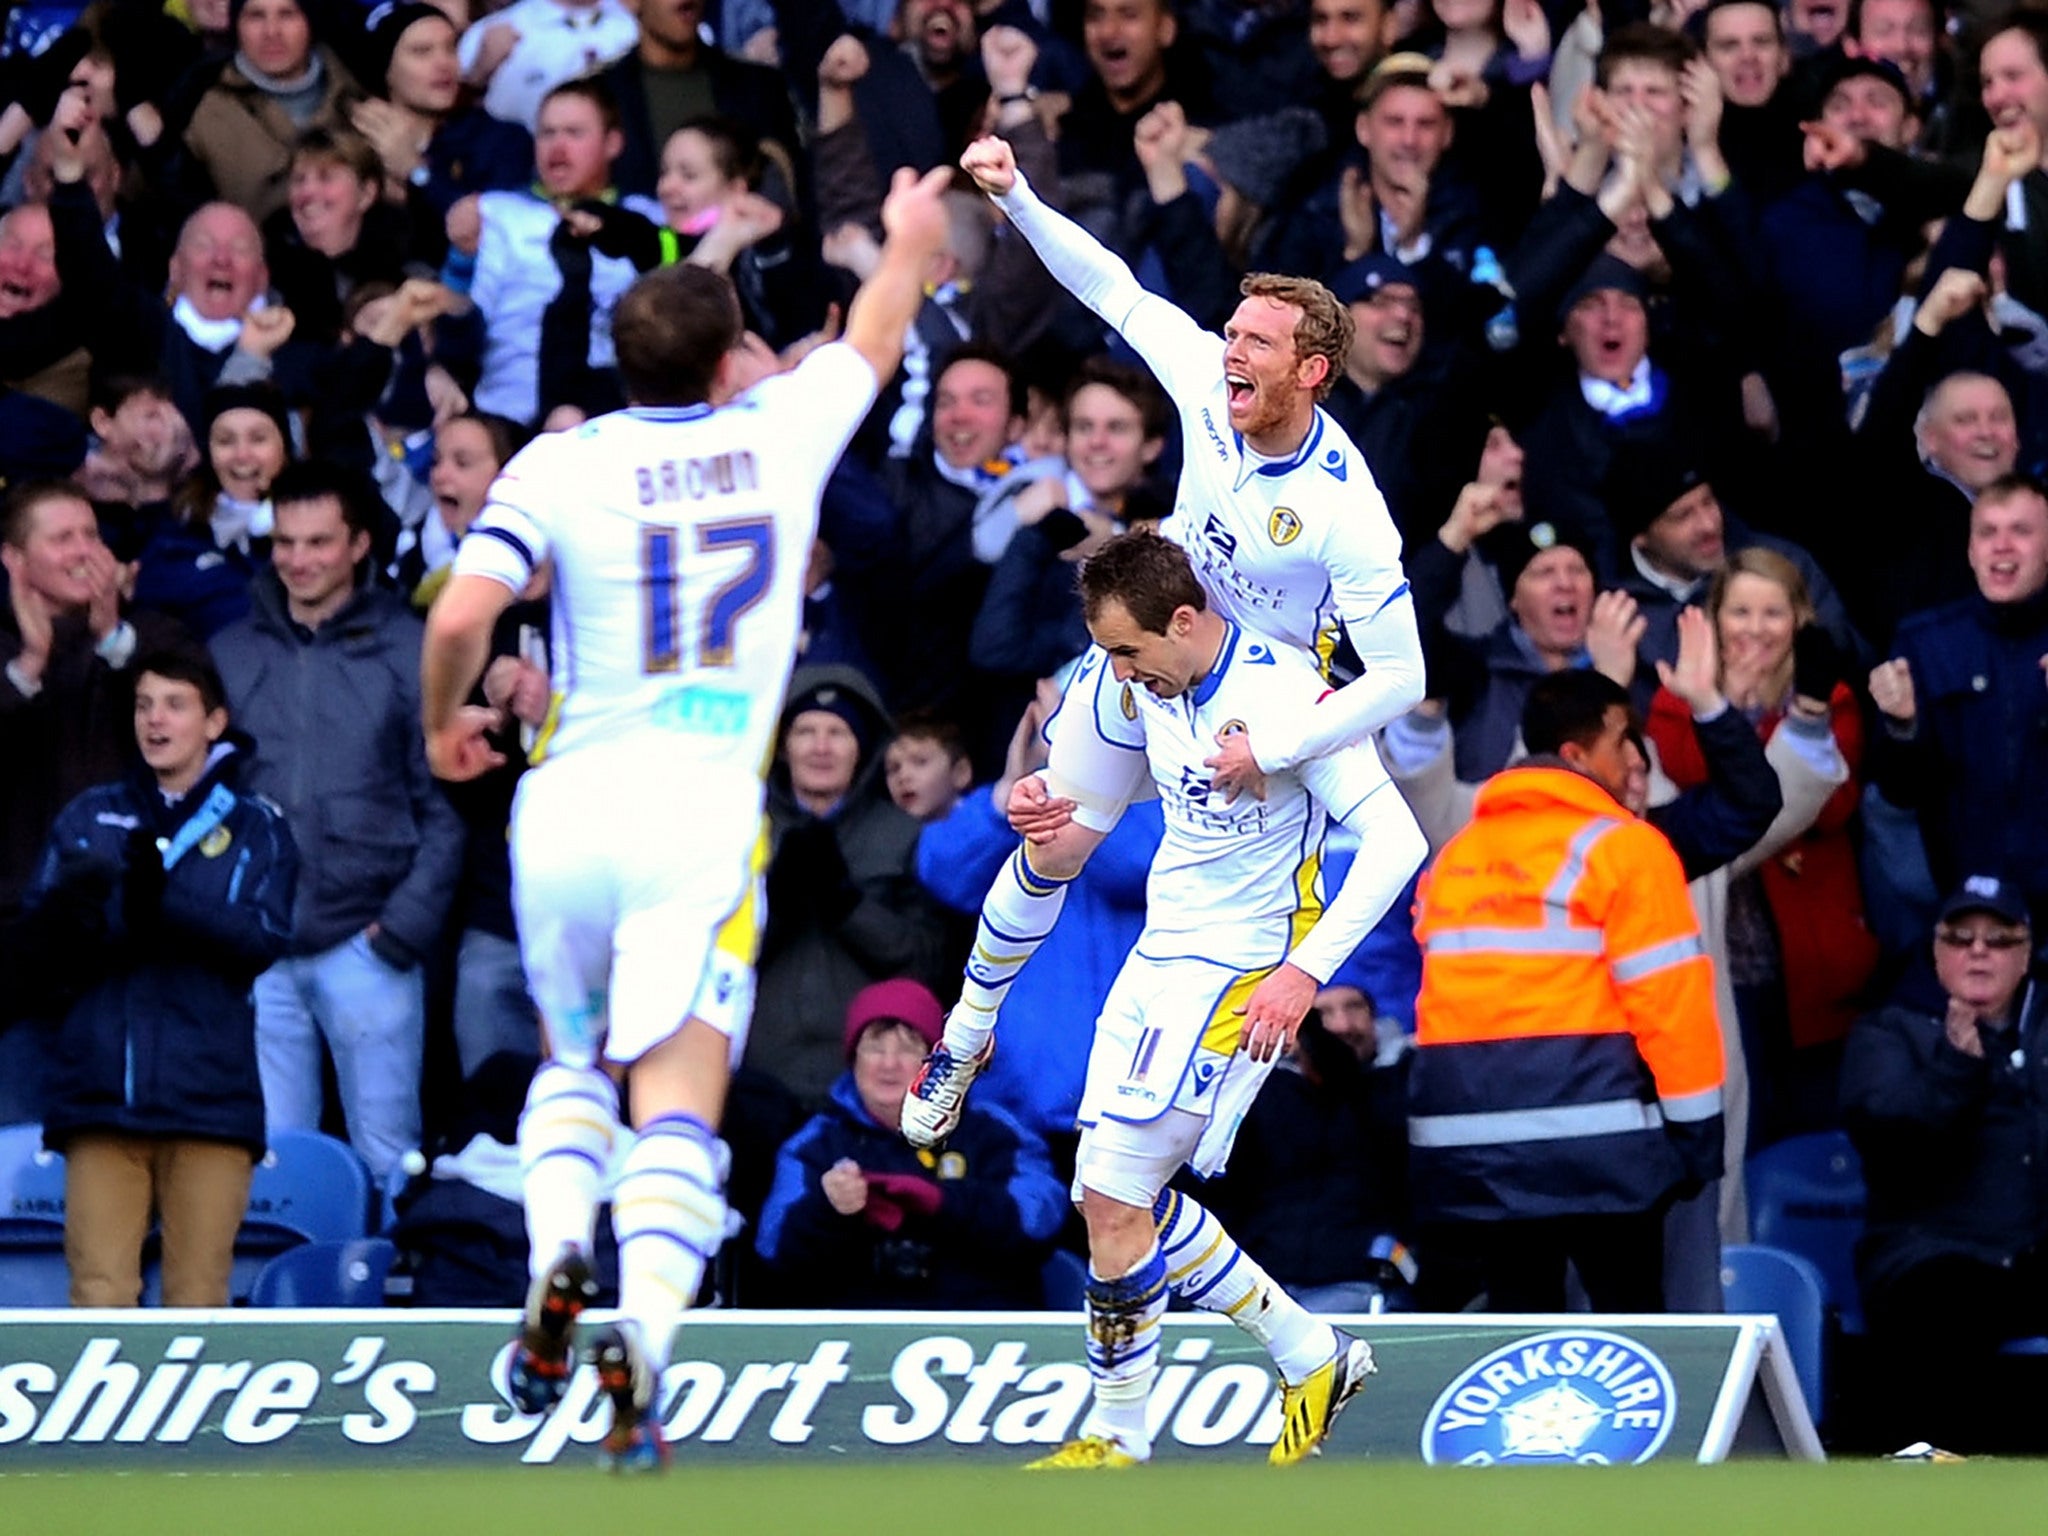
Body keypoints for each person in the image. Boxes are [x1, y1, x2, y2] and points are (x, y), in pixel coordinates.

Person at [418, 162, 957, 1471]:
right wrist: (906, 237)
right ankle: (637, 1357)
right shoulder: (777, 428)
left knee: (567, 1064)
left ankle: (554, 1266)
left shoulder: (561, 457)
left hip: (565, 804)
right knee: (675, 1105)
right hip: (698, 812)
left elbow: (458, 615)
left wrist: (445, 724)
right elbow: (879, 322)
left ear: (620, 360)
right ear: (728, 363)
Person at [901, 129, 1424, 1150]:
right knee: (1054, 834)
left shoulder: (1344, 511)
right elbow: (1110, 286)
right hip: (1155, 649)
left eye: (1255, 342)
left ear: (1310, 371)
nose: (1229, 349)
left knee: (1191, 976)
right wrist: (1015, 198)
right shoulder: (1201, 381)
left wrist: (1277, 747)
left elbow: (1401, 675)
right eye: (1229, 332)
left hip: (1257, 706)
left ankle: (1211, 1100)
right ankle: (964, 1035)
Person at [1023, 531, 1426, 1470]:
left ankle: (1120, 1438)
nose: (1119, 674)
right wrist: (1046, 799)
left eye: (1127, 650)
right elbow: (1098, 790)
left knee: (1119, 1193)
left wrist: (1305, 974)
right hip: (1159, 956)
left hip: (1242, 967)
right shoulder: (1152, 682)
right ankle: (1309, 1351)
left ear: (1187, 622)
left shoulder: (1282, 699)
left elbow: (1397, 841)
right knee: (1110, 1196)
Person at [1408, 669, 1725, 1311]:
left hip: (1467, 1150)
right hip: (1599, 1147)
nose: (1635, 756)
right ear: (1580, 755)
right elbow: (1671, 1008)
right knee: (1630, 1344)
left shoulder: (1458, 857)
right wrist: (1698, 1140)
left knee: (1518, 1337)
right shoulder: (1627, 850)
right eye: (1622, 739)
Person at [15, 647, 296, 1307]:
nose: (155, 720)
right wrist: (111, 912)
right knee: (98, 1296)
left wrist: (162, 902)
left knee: (198, 1304)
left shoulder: (259, 827)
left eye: (175, 704)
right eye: (143, 704)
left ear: (214, 721)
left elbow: (263, 938)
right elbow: (40, 946)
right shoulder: (90, 817)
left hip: (210, 1106)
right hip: (101, 1102)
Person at [210, 460, 463, 1188]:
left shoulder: (414, 648)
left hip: (370, 940)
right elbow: (208, 801)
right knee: (277, 1161)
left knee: (388, 1155)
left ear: (357, 545)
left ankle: (383, 1299)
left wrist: (404, 928)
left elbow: (446, 802)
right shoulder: (232, 651)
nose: (297, 560)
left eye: (318, 542)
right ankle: (286, 1301)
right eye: (285, 543)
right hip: (263, 946)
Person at [1840, 876, 2048, 1454]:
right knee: (1945, 1306)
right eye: (1961, 937)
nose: (1979, 951)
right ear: (1936, 952)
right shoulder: (1887, 1033)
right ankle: (1933, 1479)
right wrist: (1957, 1067)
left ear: (2026, 954)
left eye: (2000, 938)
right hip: (1932, 1254)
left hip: (2031, 1256)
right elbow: (1893, 1141)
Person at [753, 978, 1065, 1309]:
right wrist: (828, 1208)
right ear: (853, 1059)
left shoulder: (995, 1131)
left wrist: (943, 1202)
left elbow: (1040, 1223)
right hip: (849, 1342)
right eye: (875, 1047)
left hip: (985, 1338)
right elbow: (771, 1250)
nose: (889, 1064)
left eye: (908, 1048)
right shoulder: (814, 1143)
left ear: (937, 1064)